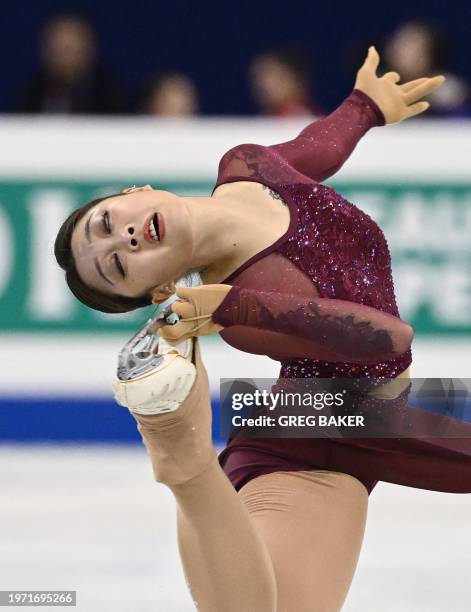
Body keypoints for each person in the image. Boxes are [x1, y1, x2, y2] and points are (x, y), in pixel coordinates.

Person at [54, 48, 469, 611]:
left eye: (105, 223)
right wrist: (232, 306)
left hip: (348, 420)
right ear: (155, 293)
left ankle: (189, 469)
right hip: (313, 436)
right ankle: (187, 467)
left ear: (134, 191)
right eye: (115, 265)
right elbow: (387, 338)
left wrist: (365, 106)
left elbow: (316, 152)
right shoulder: (242, 319)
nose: (121, 240)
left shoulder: (246, 165)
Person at [14, 13, 123, 114]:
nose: (65, 57)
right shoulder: (31, 96)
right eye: (59, 49)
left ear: (88, 50)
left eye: (70, 49)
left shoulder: (109, 98)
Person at [383, 21, 470, 118]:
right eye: (401, 49)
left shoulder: (449, 93)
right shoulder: (376, 86)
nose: (408, 57)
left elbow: (461, 126)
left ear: (431, 55)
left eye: (416, 52)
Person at [249, 47, 323, 116]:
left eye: (277, 76)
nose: (264, 84)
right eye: (257, 77)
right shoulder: (269, 118)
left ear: (296, 80)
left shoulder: (303, 118)